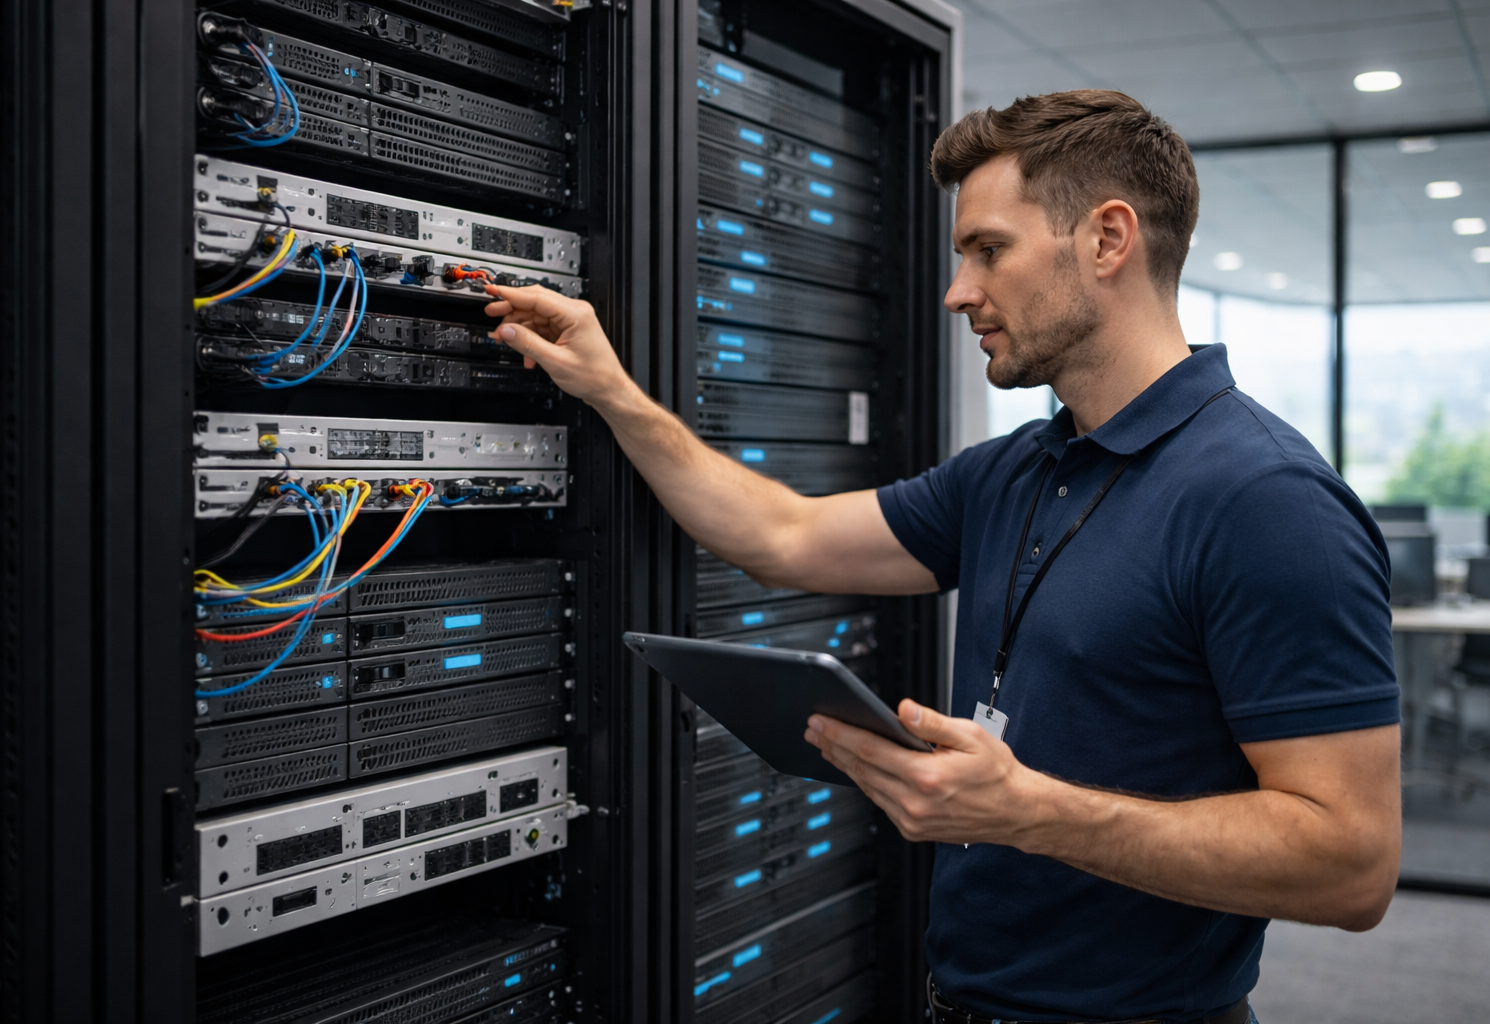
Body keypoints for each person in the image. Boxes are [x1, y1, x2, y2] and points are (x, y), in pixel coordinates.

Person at [481, 90, 1402, 1024]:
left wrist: (1028, 811)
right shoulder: (1016, 471)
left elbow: (1353, 866)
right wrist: (612, 390)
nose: (960, 289)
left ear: (1108, 239)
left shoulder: (1268, 502)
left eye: (988, 250)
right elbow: (782, 538)